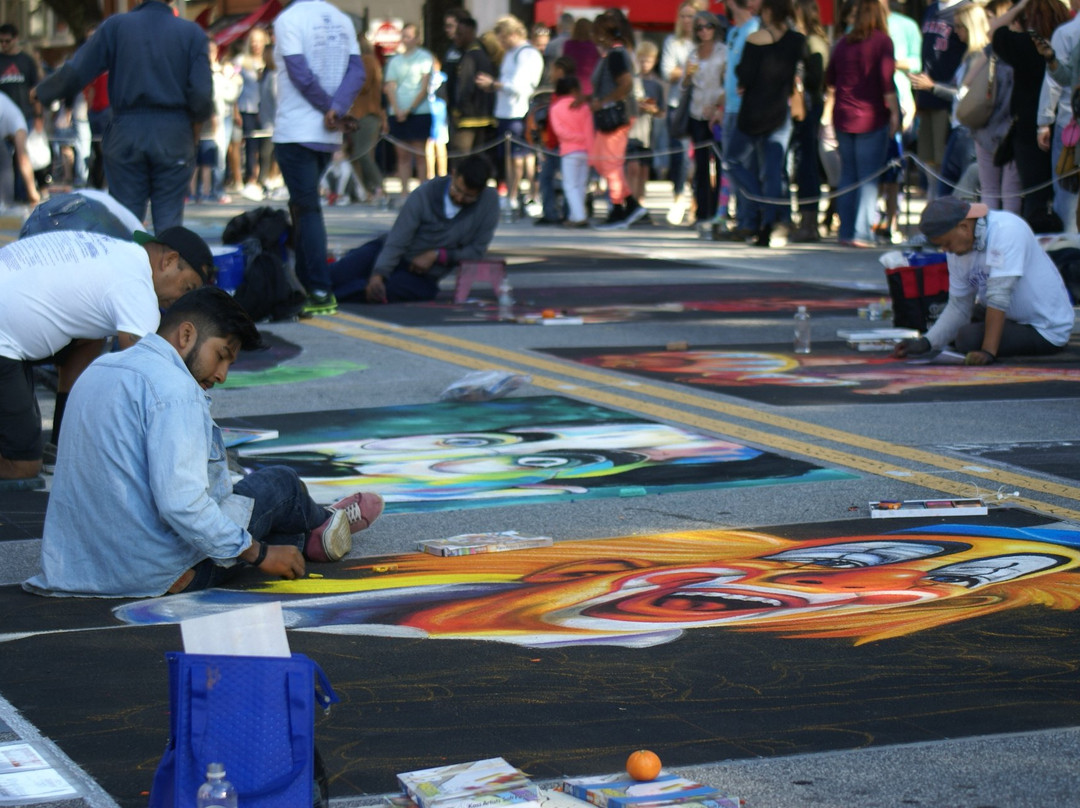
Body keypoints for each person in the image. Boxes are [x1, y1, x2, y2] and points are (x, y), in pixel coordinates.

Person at [23, 287, 385, 599]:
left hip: (77, 569)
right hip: (160, 574)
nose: (222, 374)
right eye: (222, 355)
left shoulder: (99, 370)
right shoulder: (176, 391)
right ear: (186, 335)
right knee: (282, 485)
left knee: (242, 501)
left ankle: (307, 533)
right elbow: (182, 505)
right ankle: (322, 524)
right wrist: (259, 555)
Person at [0, 227, 213, 480]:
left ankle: (62, 440)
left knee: (92, 334)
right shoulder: (138, 288)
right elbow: (146, 381)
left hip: (12, 317)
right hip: (5, 338)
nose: (181, 302)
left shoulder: (119, 252)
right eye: (187, 288)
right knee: (22, 467)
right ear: (169, 261)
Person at [32, 0, 212, 232]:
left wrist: (42, 92)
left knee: (125, 222)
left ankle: (127, 264)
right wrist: (192, 135)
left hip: (126, 128)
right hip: (173, 131)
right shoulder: (192, 33)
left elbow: (79, 69)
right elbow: (201, 95)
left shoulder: (116, 26)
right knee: (169, 222)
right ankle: (165, 264)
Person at [893, 196, 1075, 364]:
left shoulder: (1007, 230)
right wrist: (926, 342)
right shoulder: (958, 247)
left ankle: (991, 342)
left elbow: (999, 296)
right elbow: (959, 306)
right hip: (1009, 315)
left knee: (966, 337)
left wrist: (988, 352)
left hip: (1043, 327)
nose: (945, 250)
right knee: (958, 326)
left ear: (964, 227)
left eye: (946, 243)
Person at [272, 0, 364, 317]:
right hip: (327, 134)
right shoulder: (341, 18)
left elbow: (299, 72)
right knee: (306, 207)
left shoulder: (289, 19)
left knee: (306, 208)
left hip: (297, 128)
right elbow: (357, 70)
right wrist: (337, 108)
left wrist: (329, 107)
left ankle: (319, 289)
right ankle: (309, 282)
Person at [329, 155, 498, 304]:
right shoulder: (425, 193)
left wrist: (437, 255)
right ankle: (319, 288)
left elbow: (476, 252)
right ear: (453, 174)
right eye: (458, 190)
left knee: (381, 290)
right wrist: (378, 274)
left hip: (422, 276)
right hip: (388, 252)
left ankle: (331, 296)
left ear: (480, 192)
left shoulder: (488, 202)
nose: (460, 198)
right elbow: (398, 239)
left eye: (469, 196)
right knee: (338, 274)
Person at [725, 0, 805, 247]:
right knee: (774, 170)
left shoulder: (756, 39)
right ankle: (771, 218)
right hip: (780, 110)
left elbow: (744, 75)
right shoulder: (796, 40)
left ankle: (760, 202)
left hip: (754, 111)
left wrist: (743, 78)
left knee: (734, 160)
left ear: (768, 11)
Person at [826, 0, 900, 248]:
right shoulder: (882, 41)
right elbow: (887, 82)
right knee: (868, 177)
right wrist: (895, 113)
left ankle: (846, 231)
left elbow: (831, 78)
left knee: (849, 174)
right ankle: (862, 232)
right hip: (871, 114)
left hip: (844, 114)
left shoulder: (843, 43)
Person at [991, 0, 1068, 229]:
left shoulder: (1022, 43)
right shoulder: (1065, 40)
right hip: (1065, 122)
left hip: (1029, 127)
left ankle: (1040, 245)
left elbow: (994, 30)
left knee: (1034, 196)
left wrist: (1019, 6)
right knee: (1066, 193)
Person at [475, 15, 544, 212]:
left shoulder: (526, 54)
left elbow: (520, 86)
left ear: (512, 34)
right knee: (512, 156)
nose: (501, 43)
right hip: (506, 111)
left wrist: (494, 84)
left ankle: (524, 194)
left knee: (520, 156)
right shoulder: (510, 53)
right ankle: (516, 194)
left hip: (519, 111)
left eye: (503, 38)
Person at [590, 8, 647, 230]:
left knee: (610, 164)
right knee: (602, 161)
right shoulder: (617, 53)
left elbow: (625, 84)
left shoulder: (615, 54)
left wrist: (603, 101)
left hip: (615, 116)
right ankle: (629, 203)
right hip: (613, 115)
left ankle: (619, 207)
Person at [717, 0, 762, 242]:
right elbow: (731, 76)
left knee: (743, 164)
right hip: (731, 107)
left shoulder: (754, 29)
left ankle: (750, 218)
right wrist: (720, 103)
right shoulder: (735, 32)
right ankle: (743, 218)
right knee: (732, 165)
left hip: (747, 108)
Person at [916, 0, 967, 203]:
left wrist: (941, 86)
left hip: (947, 96)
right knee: (928, 159)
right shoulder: (930, 9)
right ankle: (932, 203)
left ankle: (943, 206)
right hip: (926, 94)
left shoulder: (964, 9)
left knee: (944, 160)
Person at [1036, 0, 1080, 234]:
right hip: (1071, 125)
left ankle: (1071, 261)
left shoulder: (1068, 32)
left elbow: (1056, 81)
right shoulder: (1070, 34)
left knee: (1067, 201)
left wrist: (1044, 121)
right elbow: (1063, 77)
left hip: (1070, 128)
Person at [681, 10, 727, 228]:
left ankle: (718, 210)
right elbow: (684, 85)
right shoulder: (693, 53)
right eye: (699, 27)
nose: (704, 31)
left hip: (716, 113)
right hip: (696, 112)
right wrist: (688, 75)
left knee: (718, 164)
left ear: (715, 27)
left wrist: (719, 107)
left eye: (707, 26)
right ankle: (702, 211)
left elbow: (728, 83)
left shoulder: (723, 51)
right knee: (700, 165)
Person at [789, 0, 829, 242]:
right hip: (802, 107)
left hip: (810, 106)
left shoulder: (813, 42)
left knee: (808, 165)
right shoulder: (804, 40)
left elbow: (817, 79)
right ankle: (804, 218)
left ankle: (809, 220)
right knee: (801, 164)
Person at [384, 23, 435, 205]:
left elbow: (424, 87)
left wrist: (410, 109)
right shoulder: (395, 61)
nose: (406, 39)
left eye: (409, 36)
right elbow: (390, 86)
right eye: (403, 36)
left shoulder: (425, 57)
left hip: (419, 112)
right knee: (402, 155)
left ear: (417, 38)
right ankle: (404, 193)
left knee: (420, 154)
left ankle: (423, 193)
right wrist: (397, 109)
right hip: (397, 113)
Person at [661, 1, 697, 225]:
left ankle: (696, 203)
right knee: (680, 156)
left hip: (700, 104)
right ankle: (678, 197)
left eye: (691, 16)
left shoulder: (704, 42)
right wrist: (689, 69)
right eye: (683, 16)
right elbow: (668, 72)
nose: (687, 20)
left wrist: (682, 69)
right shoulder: (672, 42)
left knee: (699, 158)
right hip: (677, 104)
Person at [449, 15, 497, 168]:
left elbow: (465, 87)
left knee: (460, 158)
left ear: (470, 33)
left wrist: (457, 111)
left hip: (468, 118)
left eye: (460, 34)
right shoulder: (484, 55)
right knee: (478, 159)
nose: (456, 38)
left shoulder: (470, 57)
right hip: (484, 117)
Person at [548, 75, 593, 227]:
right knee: (580, 185)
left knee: (570, 185)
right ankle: (576, 215)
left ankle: (578, 216)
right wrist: (586, 142)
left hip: (568, 150)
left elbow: (559, 131)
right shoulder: (584, 106)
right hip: (586, 150)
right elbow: (589, 130)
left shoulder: (556, 107)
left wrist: (574, 138)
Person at [348, 33, 387, 206]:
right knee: (356, 154)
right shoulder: (370, 61)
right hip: (358, 114)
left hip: (366, 114)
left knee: (362, 154)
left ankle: (378, 186)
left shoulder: (367, 61)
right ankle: (362, 190)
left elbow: (361, 85)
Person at [236, 27, 270, 201]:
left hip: (265, 110)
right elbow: (234, 84)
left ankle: (263, 179)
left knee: (266, 147)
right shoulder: (241, 61)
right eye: (253, 41)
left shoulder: (269, 61)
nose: (256, 45)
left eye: (259, 41)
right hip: (247, 107)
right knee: (250, 146)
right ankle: (250, 178)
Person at [0, 91, 38, 206]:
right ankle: (5, 203)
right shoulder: (19, 124)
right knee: (6, 163)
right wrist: (33, 193)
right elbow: (23, 159)